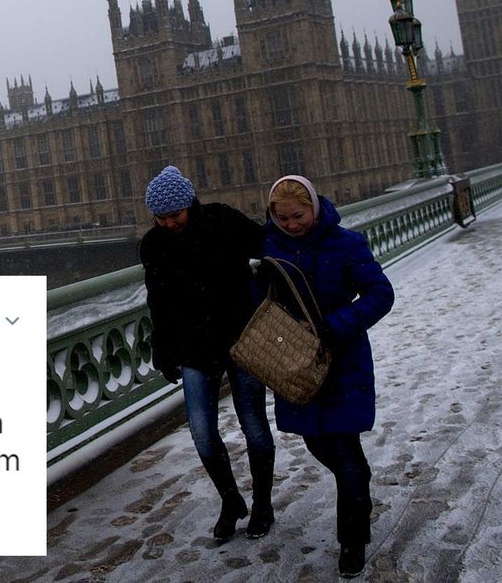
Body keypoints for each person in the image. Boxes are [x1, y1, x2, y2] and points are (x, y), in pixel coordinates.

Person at [262, 175, 394, 578]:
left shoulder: (347, 244)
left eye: (297, 216)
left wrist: (337, 325)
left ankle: (352, 540)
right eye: (281, 218)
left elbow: (381, 294)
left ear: (315, 209)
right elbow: (260, 298)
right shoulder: (270, 248)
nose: (291, 225)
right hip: (296, 362)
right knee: (318, 443)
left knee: (344, 447)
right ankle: (357, 486)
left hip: (342, 361)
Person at [138, 166, 277, 541]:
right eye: (161, 218)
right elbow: (159, 302)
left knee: (254, 428)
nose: (169, 224)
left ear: (190, 204)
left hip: (240, 341)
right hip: (193, 349)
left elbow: (269, 249)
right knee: (202, 434)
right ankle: (231, 501)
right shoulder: (153, 244)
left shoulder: (222, 220)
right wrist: (162, 349)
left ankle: (263, 505)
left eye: (175, 215)